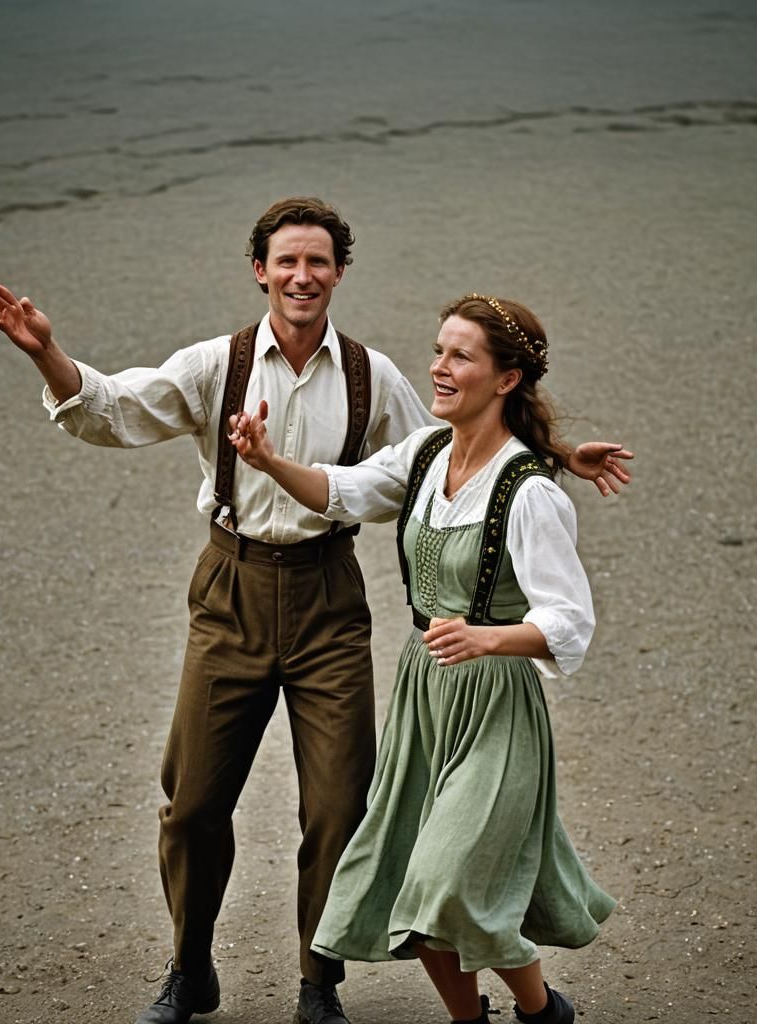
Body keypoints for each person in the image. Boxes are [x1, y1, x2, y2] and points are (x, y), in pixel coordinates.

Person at [0, 198, 631, 1024]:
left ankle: (317, 985)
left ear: (338, 274)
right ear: (260, 270)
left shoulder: (376, 378)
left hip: (329, 599)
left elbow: (467, 446)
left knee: (336, 806)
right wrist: (50, 357)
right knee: (193, 805)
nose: (301, 275)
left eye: (317, 262)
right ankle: (189, 971)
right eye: (286, 261)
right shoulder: (215, 365)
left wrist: (558, 455)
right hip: (231, 591)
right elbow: (115, 409)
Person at [229, 292, 622, 1024]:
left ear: (505, 380)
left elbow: (569, 621)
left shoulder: (529, 492)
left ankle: (542, 1012)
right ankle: (468, 1020)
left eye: (459, 356)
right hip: (425, 694)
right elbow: (341, 491)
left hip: (496, 703)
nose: (438, 367)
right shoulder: (425, 453)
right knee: (413, 880)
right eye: (438, 350)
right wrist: (268, 460)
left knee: (446, 881)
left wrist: (488, 636)